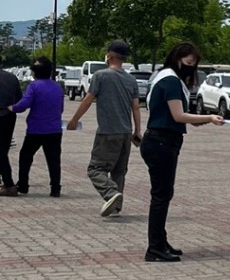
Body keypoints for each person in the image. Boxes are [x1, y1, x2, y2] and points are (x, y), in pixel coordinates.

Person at [141, 43, 223, 262]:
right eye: (188, 62)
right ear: (177, 58)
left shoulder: (165, 77)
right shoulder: (170, 81)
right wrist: (209, 117)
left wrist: (199, 121)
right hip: (161, 142)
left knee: (163, 194)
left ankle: (160, 241)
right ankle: (155, 247)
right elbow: (178, 115)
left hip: (161, 140)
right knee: (161, 195)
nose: (191, 67)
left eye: (194, 63)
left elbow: (179, 116)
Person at [66, 40, 143, 217]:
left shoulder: (101, 76)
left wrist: (74, 120)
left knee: (95, 169)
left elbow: (87, 100)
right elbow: (136, 107)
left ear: (109, 55)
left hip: (108, 131)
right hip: (125, 132)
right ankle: (115, 207)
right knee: (119, 171)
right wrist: (137, 131)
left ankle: (110, 194)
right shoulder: (131, 79)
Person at [8, 57, 63, 197]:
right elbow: (61, 108)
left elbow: (24, 104)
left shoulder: (33, 86)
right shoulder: (57, 87)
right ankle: (55, 188)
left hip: (36, 129)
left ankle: (23, 184)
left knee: (25, 156)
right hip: (54, 129)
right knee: (54, 160)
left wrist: (12, 108)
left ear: (34, 72)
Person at [0, 59, 21, 196]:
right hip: (7, 116)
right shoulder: (12, 78)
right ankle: (7, 183)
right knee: (2, 149)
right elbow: (19, 98)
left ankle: (9, 184)